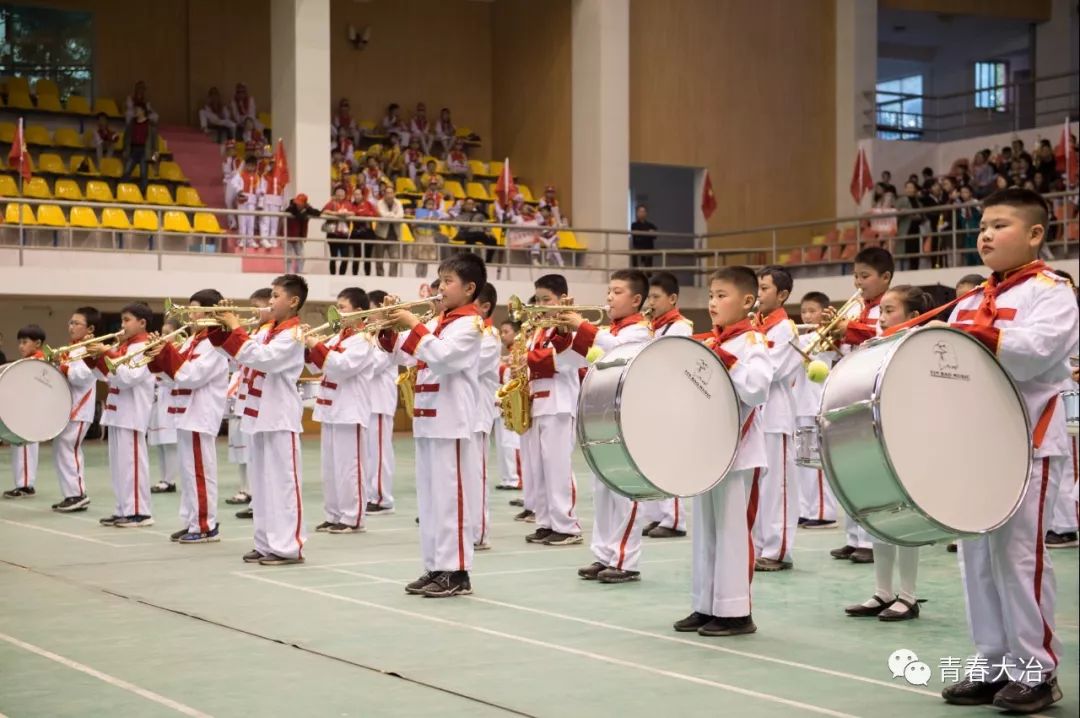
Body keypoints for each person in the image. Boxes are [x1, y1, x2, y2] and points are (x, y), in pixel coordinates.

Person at [939, 189, 1077, 713]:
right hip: (976, 444)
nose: (986, 235)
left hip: (1030, 442)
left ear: (1036, 234)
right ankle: (992, 661)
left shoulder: (1053, 291)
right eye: (981, 227)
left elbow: (1040, 352)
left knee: (1020, 558)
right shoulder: (971, 300)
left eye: (999, 225)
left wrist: (989, 336)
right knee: (975, 558)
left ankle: (1036, 671)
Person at [378, 253, 488, 597]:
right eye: (439, 280)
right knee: (430, 501)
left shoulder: (470, 324)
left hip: (451, 420)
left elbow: (444, 358)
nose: (440, 288)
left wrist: (413, 324)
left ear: (469, 289)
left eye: (448, 282)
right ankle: (435, 566)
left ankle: (456, 572)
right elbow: (403, 356)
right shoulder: (438, 323)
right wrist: (386, 326)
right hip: (427, 419)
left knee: (450, 498)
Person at [673, 266, 771, 637]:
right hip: (708, 448)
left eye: (722, 296)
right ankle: (706, 603)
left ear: (747, 301)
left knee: (731, 530)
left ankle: (736, 611)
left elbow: (758, 388)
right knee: (705, 531)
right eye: (711, 295)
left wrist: (724, 360)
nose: (713, 303)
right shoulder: (714, 341)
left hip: (739, 449)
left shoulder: (751, 342)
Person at [844, 285, 932, 622]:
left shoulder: (918, 347)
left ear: (913, 317)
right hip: (878, 435)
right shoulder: (877, 346)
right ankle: (883, 592)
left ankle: (908, 596)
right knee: (879, 513)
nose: (881, 318)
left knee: (907, 516)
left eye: (890, 311)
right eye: (880, 311)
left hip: (910, 437)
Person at [210, 274, 309, 566]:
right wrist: (219, 328)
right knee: (263, 486)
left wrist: (235, 326)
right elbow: (239, 355)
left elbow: (263, 358)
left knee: (284, 484)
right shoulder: (267, 330)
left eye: (275, 296)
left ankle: (289, 546)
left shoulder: (293, 334)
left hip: (280, 416)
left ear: (292, 301)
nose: (270, 301)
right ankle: (266, 542)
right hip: (258, 414)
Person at [563, 269, 652, 583]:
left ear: (636, 299)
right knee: (602, 488)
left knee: (625, 492)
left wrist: (583, 326)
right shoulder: (611, 329)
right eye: (609, 291)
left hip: (630, 416)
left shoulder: (640, 330)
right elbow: (575, 361)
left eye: (617, 292)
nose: (609, 297)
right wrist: (565, 331)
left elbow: (617, 351)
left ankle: (626, 559)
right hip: (604, 416)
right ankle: (604, 553)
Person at [147, 290, 230, 544]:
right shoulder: (192, 341)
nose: (189, 315)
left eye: (195, 310)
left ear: (210, 312)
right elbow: (173, 375)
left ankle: (206, 525)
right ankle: (192, 521)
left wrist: (168, 352)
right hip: (185, 413)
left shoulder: (215, 345)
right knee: (188, 473)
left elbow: (192, 376)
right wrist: (157, 354)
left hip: (200, 414)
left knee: (201, 475)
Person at [828, 246, 895, 563]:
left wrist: (848, 330)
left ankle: (871, 541)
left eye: (865, 276)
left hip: (876, 392)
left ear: (885, 278)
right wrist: (834, 338)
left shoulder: (890, 306)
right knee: (851, 466)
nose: (858, 283)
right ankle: (855, 537)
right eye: (855, 275)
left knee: (872, 469)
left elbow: (884, 334)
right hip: (852, 388)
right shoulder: (856, 308)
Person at [516, 274, 587, 547]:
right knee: (539, 468)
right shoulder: (539, 330)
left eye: (548, 299)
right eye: (539, 299)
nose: (542, 305)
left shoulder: (565, 325)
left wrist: (530, 360)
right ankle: (546, 521)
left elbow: (570, 360)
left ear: (562, 299)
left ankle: (567, 525)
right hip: (538, 402)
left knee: (557, 467)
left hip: (559, 404)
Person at [304, 287, 375, 534]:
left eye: (342, 307)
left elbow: (342, 366)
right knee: (331, 468)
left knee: (349, 467)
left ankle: (353, 517)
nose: (338, 312)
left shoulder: (364, 339)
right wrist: (306, 346)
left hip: (350, 409)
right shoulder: (339, 337)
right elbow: (316, 368)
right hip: (331, 407)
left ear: (359, 311)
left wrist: (316, 345)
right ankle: (333, 514)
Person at [751, 266, 803, 571]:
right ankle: (759, 545)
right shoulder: (754, 326)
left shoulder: (786, 329)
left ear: (782, 295)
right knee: (760, 486)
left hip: (776, 413)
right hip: (757, 414)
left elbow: (771, 371)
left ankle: (778, 550)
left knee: (779, 487)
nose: (759, 293)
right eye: (757, 286)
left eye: (764, 288)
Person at [86, 303, 156, 528]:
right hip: (117, 411)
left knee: (132, 465)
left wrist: (107, 352)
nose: (122, 325)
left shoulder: (144, 346)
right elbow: (106, 376)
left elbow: (129, 378)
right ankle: (123, 508)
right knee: (119, 467)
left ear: (142, 323)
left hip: (132, 413)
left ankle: (139, 512)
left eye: (127, 320)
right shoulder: (124, 346)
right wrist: (94, 359)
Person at [640, 272, 694, 538]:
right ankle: (657, 514)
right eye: (649, 296)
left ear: (672, 299)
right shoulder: (653, 325)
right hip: (653, 396)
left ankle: (674, 519)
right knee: (650, 457)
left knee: (667, 459)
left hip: (671, 399)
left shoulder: (681, 326)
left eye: (656, 297)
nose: (651, 302)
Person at [226, 288, 273, 518]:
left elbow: (261, 359)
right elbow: (237, 362)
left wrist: (235, 329)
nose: (253, 310)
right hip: (250, 401)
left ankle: (262, 505)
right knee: (254, 460)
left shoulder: (272, 333)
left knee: (266, 465)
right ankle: (257, 503)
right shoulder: (258, 331)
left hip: (266, 405)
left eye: (258, 304)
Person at [50, 307, 102, 512]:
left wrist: (62, 367)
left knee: (69, 449)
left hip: (80, 409)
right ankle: (71, 493)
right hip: (68, 408)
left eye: (76, 323)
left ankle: (77, 494)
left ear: (90, 328)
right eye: (70, 322)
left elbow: (82, 376)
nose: (71, 327)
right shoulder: (71, 349)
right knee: (62, 450)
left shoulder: (88, 348)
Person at [793, 291, 837, 529]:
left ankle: (824, 511)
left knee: (817, 463)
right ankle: (806, 508)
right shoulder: (803, 336)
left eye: (812, 311)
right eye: (804, 311)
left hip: (816, 404)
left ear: (823, 312)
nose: (807, 315)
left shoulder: (827, 336)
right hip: (799, 404)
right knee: (803, 462)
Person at [470, 283, 501, 551]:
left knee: (476, 476)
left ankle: (478, 532)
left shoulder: (489, 337)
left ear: (484, 307)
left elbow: (467, 365)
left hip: (478, 415)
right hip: (460, 414)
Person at [363, 290, 398, 516]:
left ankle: (382, 497)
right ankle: (371, 494)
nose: (367, 316)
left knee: (379, 453)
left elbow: (374, 365)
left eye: (371, 310)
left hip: (380, 401)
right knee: (369, 453)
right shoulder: (370, 336)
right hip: (367, 401)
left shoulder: (385, 338)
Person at [3, 325, 46, 499]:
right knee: (18, 448)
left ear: (37, 343)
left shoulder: (39, 361)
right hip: (23, 410)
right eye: (19, 342)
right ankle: (21, 482)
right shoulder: (26, 362)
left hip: (31, 411)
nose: (21, 346)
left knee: (26, 448)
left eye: (25, 342)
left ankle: (26, 485)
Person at [148, 317, 181, 495]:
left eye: (168, 334)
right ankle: (163, 477)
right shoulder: (160, 351)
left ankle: (170, 479)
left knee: (169, 443)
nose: (164, 337)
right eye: (163, 333)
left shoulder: (178, 351)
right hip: (158, 399)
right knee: (159, 442)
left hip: (172, 398)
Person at [494, 319, 523, 491]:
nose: (503, 336)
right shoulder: (508, 354)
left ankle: (517, 478)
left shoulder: (519, 351)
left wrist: (501, 366)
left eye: (506, 332)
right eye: (501, 332)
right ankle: (507, 477)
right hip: (502, 403)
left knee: (512, 443)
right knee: (503, 444)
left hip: (514, 403)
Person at [121, 105, 158, 195]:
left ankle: (143, 193)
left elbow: (154, 142)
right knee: (126, 171)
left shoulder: (150, 125)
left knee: (143, 173)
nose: (136, 111)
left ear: (143, 111)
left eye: (138, 110)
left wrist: (155, 156)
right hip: (133, 149)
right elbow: (126, 137)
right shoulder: (132, 123)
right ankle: (121, 190)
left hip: (144, 150)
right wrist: (125, 149)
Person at [232, 156, 265, 249]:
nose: (250, 167)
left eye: (253, 165)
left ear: (255, 166)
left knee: (251, 221)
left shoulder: (257, 177)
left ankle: (250, 240)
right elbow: (234, 182)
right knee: (242, 220)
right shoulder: (241, 174)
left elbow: (258, 189)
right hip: (242, 198)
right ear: (246, 165)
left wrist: (260, 193)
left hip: (252, 200)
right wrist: (239, 190)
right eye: (249, 165)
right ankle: (242, 240)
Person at [284, 194, 320, 274]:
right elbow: (297, 215)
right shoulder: (291, 208)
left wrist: (308, 209)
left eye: (300, 203)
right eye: (297, 203)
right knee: (289, 256)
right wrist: (304, 213)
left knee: (301, 256)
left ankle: (299, 272)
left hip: (299, 236)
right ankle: (288, 273)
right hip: (289, 235)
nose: (298, 205)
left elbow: (318, 213)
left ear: (304, 204)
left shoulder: (306, 208)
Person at [322, 186, 354, 276]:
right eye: (338, 193)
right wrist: (336, 214)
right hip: (333, 234)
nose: (340, 195)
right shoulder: (331, 203)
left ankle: (341, 275)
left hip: (344, 234)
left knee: (345, 257)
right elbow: (324, 211)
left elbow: (353, 212)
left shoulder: (348, 204)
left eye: (342, 194)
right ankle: (332, 275)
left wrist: (346, 213)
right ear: (335, 194)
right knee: (333, 257)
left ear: (345, 195)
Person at [374, 187, 404, 277]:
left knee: (394, 259)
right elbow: (382, 215)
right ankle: (380, 277)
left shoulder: (398, 203)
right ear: (384, 194)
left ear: (394, 194)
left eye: (391, 192)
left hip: (394, 235)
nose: (389, 195)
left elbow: (401, 215)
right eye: (387, 192)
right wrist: (393, 216)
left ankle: (393, 277)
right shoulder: (379, 202)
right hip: (381, 235)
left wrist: (389, 216)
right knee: (379, 259)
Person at [630, 204, 658, 268]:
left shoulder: (651, 225)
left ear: (646, 213)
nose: (642, 213)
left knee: (648, 270)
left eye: (643, 211)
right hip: (638, 249)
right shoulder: (634, 225)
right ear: (637, 213)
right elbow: (637, 236)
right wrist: (648, 232)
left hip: (648, 249)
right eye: (640, 211)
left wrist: (649, 233)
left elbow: (655, 236)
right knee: (636, 270)